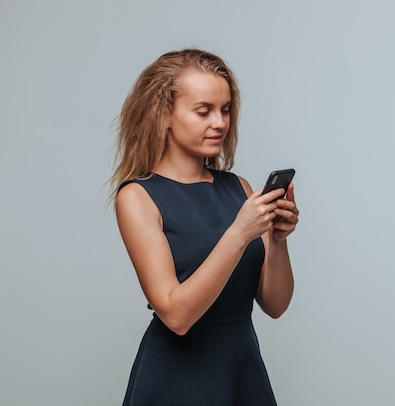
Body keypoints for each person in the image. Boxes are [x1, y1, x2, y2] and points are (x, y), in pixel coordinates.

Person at [109, 49, 299, 406]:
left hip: (243, 370)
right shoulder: (138, 197)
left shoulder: (237, 188)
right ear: (164, 113)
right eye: (203, 111)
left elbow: (275, 304)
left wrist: (278, 238)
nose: (220, 123)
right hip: (176, 379)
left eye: (225, 109)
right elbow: (176, 316)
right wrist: (239, 233)